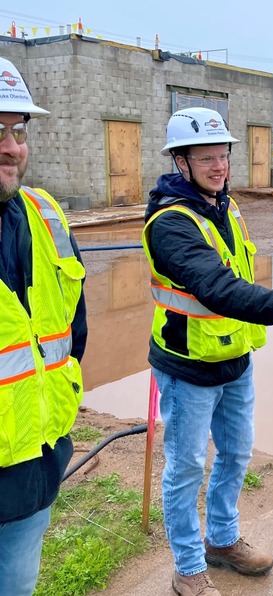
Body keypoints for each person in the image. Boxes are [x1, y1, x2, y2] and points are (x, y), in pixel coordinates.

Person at [141, 107, 273, 596]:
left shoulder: (226, 209)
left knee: (235, 454)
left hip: (234, 362)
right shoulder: (171, 224)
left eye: (223, 156)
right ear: (180, 163)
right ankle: (188, 566)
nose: (218, 166)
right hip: (187, 369)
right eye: (205, 158)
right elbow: (220, 288)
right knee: (186, 468)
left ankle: (222, 540)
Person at [0, 57, 88, 595]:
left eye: (17, 130)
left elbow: (73, 334)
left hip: (34, 468)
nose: (9, 146)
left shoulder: (46, 214)